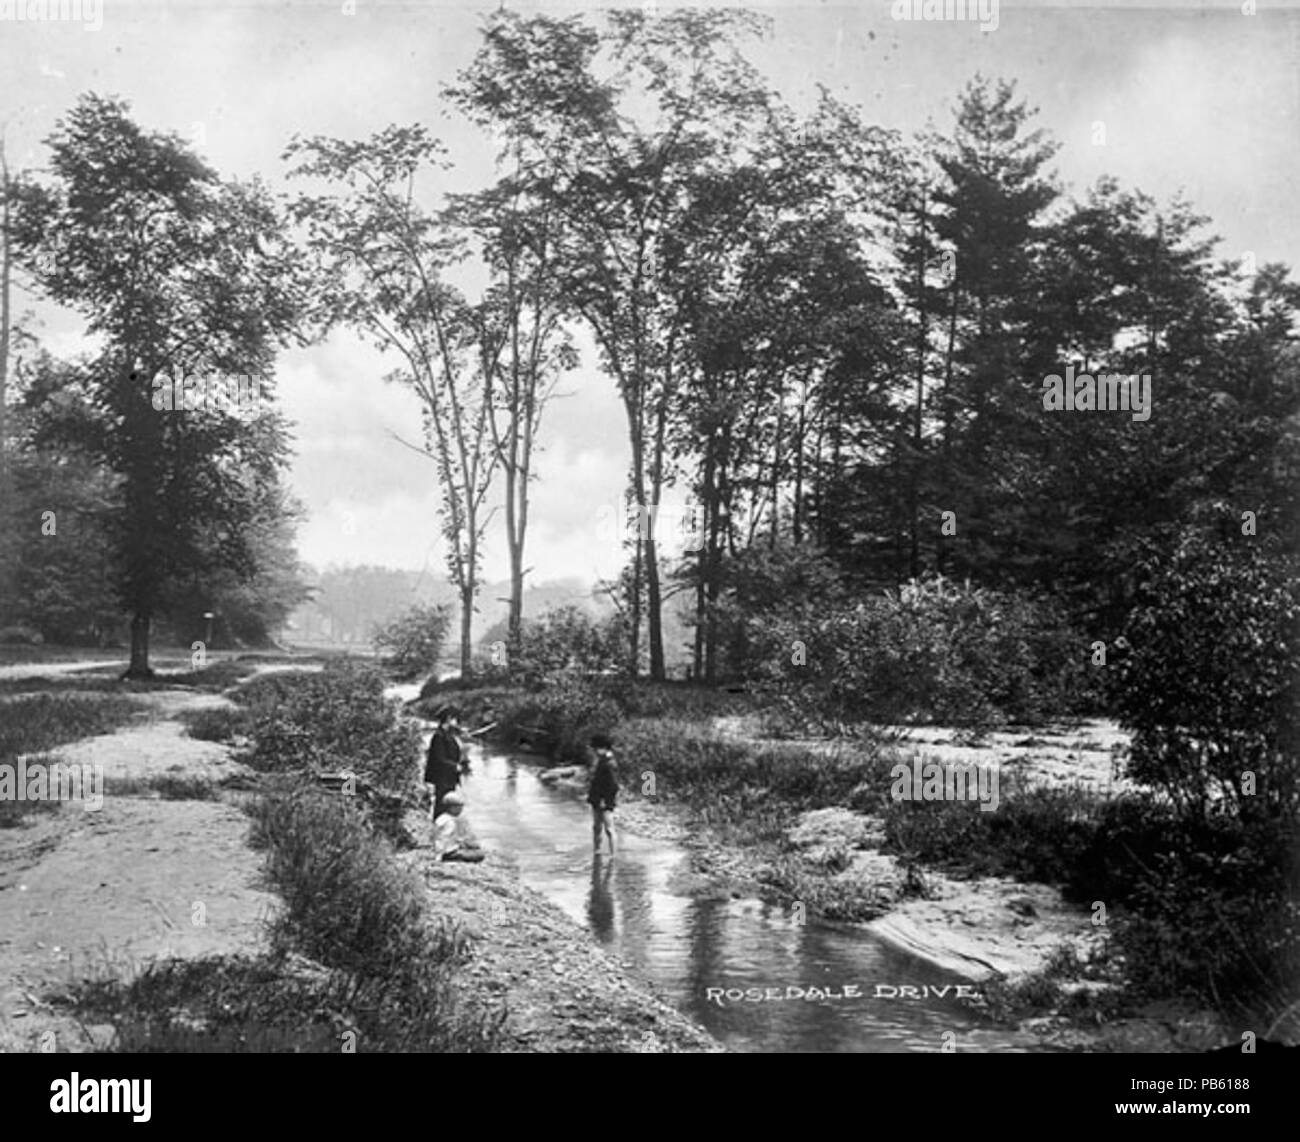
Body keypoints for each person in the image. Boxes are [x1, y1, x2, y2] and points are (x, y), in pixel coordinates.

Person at [424, 707, 463, 820]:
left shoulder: (447, 734)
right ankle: (438, 828)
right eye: (455, 719)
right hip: (442, 778)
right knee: (442, 805)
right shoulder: (439, 736)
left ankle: (444, 830)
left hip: (448, 777)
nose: (456, 722)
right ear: (448, 719)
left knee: (448, 805)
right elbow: (439, 759)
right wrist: (455, 766)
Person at [587, 733, 618, 856]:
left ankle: (612, 856)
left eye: (595, 748)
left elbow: (613, 786)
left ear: (603, 747)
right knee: (596, 828)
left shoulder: (609, 763)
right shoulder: (602, 761)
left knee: (609, 829)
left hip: (604, 801)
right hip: (597, 798)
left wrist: (605, 800)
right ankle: (597, 852)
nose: (594, 751)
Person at [432, 791, 484, 862]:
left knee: (474, 847)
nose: (461, 810)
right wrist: (439, 856)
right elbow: (443, 838)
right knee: (480, 854)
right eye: (459, 807)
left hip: (447, 849)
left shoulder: (442, 817)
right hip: (448, 853)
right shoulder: (450, 822)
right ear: (451, 808)